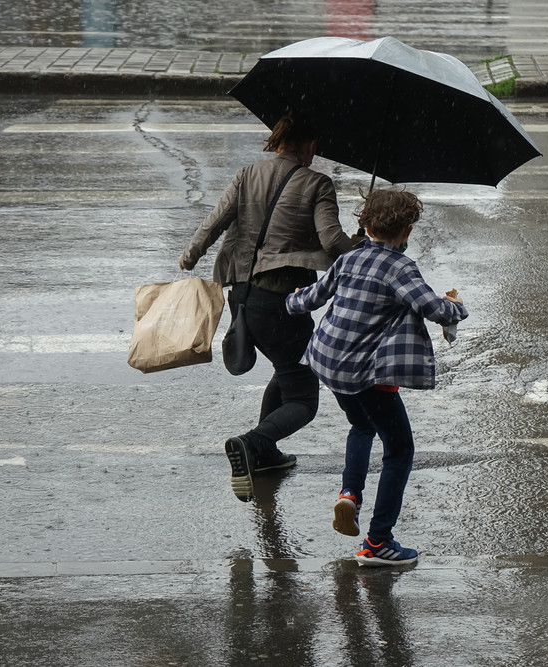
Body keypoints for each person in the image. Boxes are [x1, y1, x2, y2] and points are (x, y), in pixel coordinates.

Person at [179, 115, 358, 503]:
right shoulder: (317, 183)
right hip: (282, 301)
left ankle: (266, 454)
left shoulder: (247, 174)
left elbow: (214, 222)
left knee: (288, 368)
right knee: (304, 399)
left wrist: (190, 256)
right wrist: (364, 249)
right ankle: (251, 443)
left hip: (241, 296)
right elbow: (331, 238)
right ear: (308, 144)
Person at [285, 188, 467, 567]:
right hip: (366, 370)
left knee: (361, 426)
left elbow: (312, 297)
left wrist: (291, 299)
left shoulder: (349, 257)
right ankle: (377, 543)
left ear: (364, 224)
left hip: (329, 361)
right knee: (399, 451)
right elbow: (431, 307)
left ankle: (349, 494)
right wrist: (457, 307)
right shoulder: (400, 267)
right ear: (409, 231)